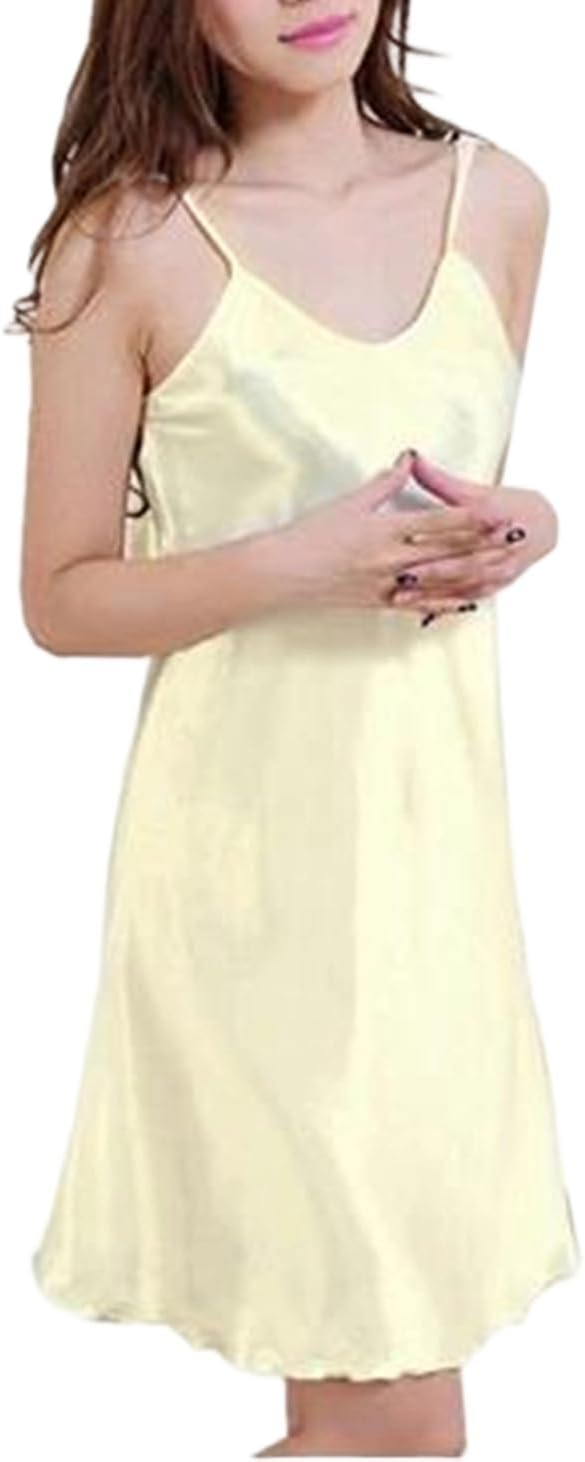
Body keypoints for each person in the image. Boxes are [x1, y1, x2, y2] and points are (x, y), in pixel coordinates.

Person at [15, 1, 580, 1456]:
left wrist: (528, 523)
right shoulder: (130, 243)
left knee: (399, 1421)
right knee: (397, 1423)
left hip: (439, 879)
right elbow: (61, 600)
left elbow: (443, 503)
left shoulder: (498, 201)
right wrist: (291, 564)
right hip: (255, 887)